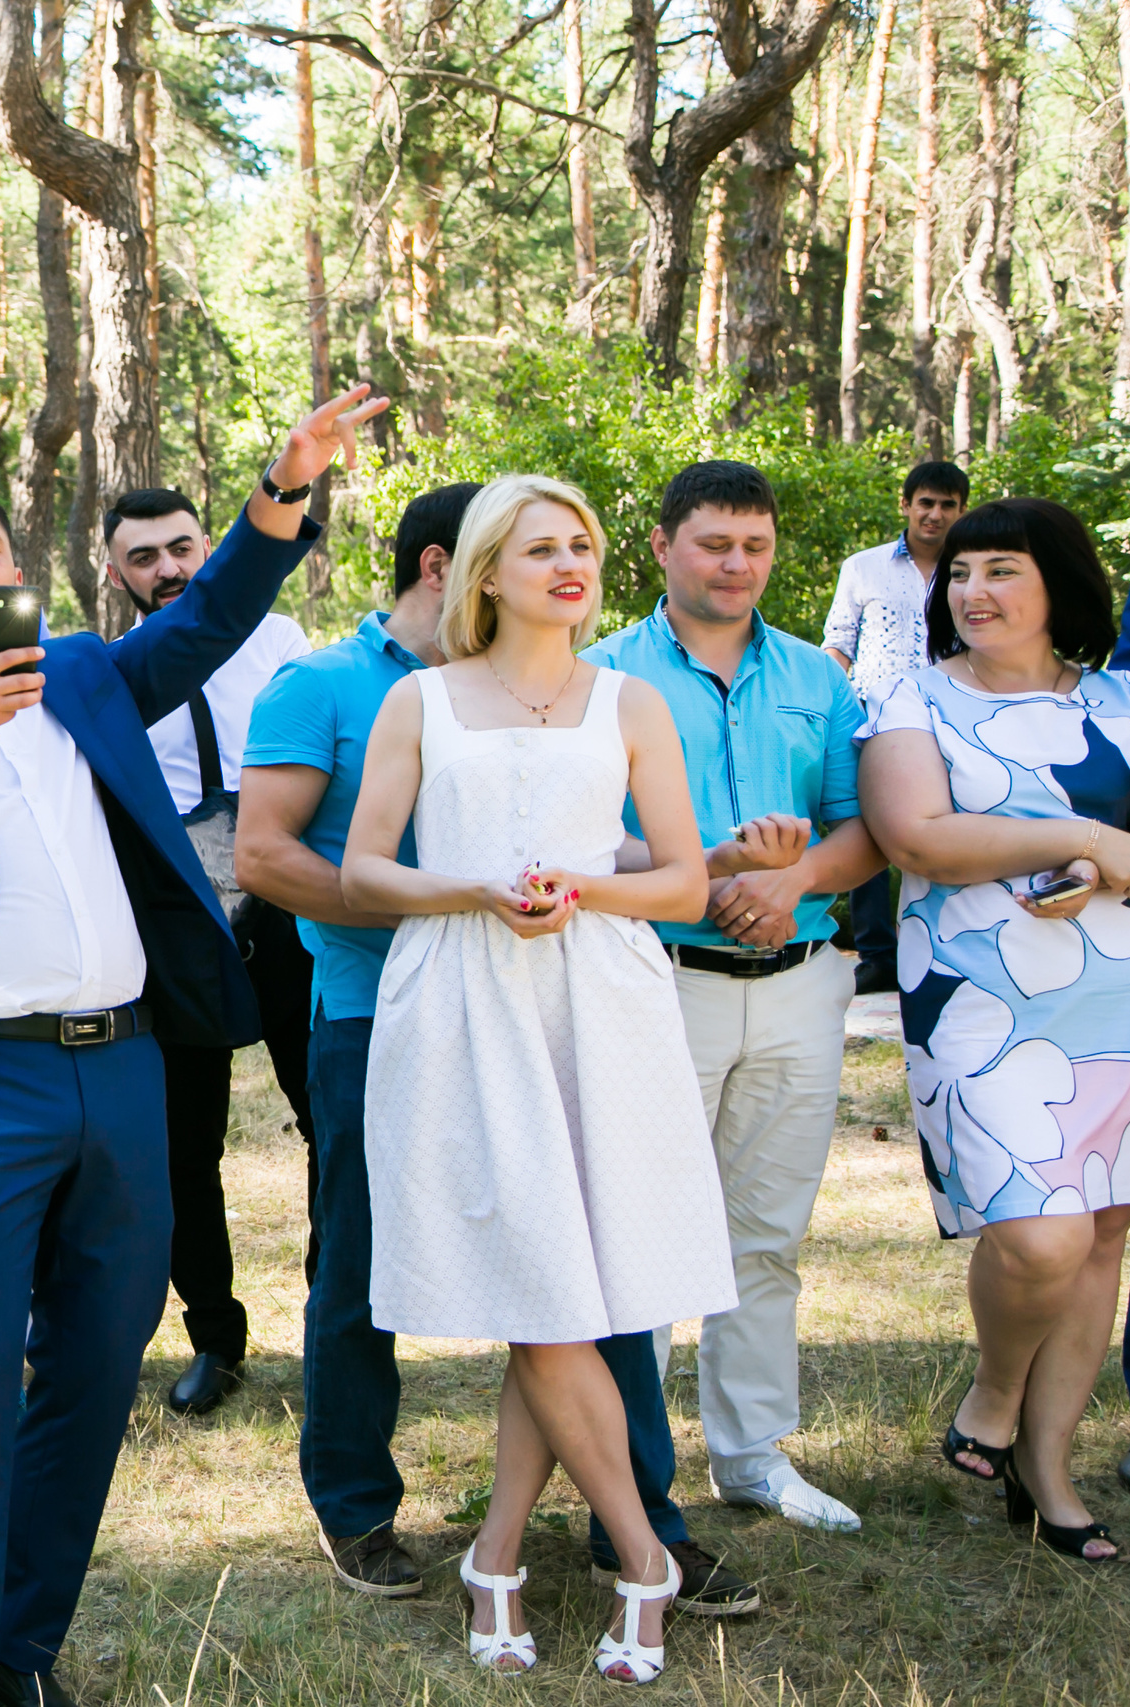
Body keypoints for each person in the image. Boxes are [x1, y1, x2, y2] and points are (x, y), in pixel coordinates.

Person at [0, 384, 383, 1707]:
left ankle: (17, 1654)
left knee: (100, 1372)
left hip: (124, 1071)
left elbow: (213, 611)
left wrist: (280, 489)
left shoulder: (92, 675)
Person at [237, 485, 758, 1617]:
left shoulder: (629, 701)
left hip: (600, 1002)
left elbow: (678, 878)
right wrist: (471, 890)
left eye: (582, 546)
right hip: (453, 993)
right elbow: (363, 868)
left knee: (585, 1275)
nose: (569, 564)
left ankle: (514, 1552)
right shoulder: (415, 700)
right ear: (479, 572)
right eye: (541, 548)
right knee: (529, 1275)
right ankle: (633, 1554)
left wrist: (586, 890)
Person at [586, 463, 881, 1534]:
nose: (737, 566)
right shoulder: (598, 677)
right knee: (643, 1230)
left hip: (800, 984)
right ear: (661, 545)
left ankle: (752, 1455)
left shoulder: (816, 678)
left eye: (754, 547)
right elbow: (573, 842)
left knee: (764, 1234)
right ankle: (625, 1468)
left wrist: (791, 882)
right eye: (713, 544)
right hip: (660, 982)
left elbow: (862, 829)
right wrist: (705, 876)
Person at [857, 496, 1130, 1564]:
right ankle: (992, 1389)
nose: (971, 591)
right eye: (960, 573)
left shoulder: (1120, 703)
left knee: (1102, 1230)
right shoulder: (908, 701)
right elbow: (915, 837)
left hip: (1115, 993)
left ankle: (1048, 1471)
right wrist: (1078, 832)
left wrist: (1097, 863)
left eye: (1000, 571)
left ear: (1058, 586)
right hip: (980, 1000)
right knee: (1040, 1233)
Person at [99, 486, 316, 1416]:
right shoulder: (108, 674)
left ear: (210, 546)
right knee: (186, 1145)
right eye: (143, 557)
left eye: (182, 546)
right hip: (179, 930)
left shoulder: (284, 643)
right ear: (115, 572)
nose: (168, 570)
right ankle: (214, 1336)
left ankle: (337, 1320)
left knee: (332, 1122)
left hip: (293, 916)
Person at [824, 460, 968, 995]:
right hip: (873, 719)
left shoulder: (968, 570)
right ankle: (878, 954)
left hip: (951, 717)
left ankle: (940, 943)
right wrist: (827, 713)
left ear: (961, 511)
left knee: (946, 827)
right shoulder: (863, 567)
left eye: (947, 505)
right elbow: (837, 642)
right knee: (865, 829)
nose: (935, 514)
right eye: (925, 502)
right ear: (905, 505)